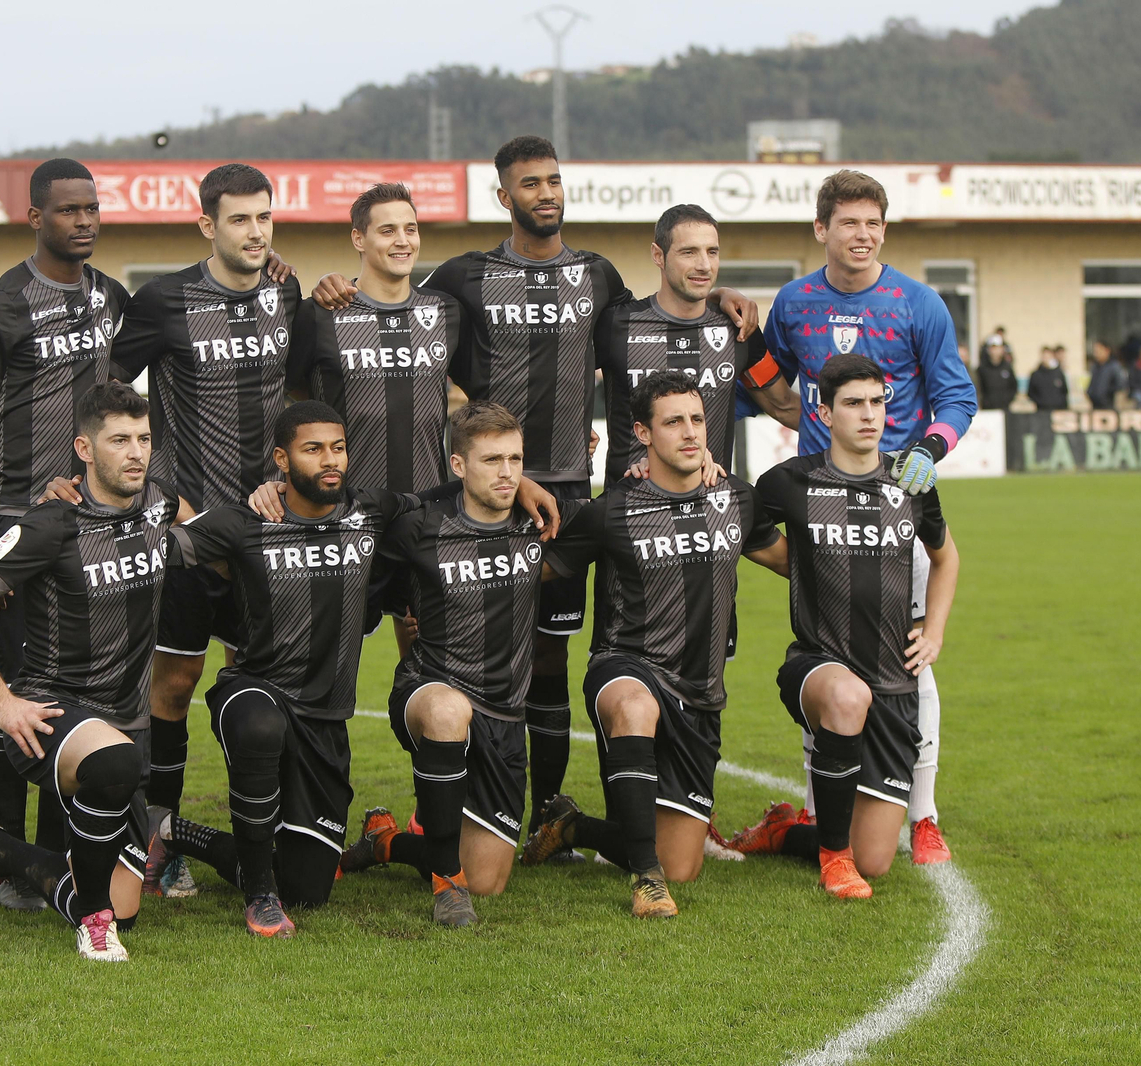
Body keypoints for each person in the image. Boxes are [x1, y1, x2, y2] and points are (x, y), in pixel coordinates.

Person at [314, 136, 759, 855]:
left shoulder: (598, 277)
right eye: (530, 184)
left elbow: (660, 315)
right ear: (504, 196)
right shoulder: (464, 278)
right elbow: (400, 311)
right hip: (482, 493)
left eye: (554, 181)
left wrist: (722, 297)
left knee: (546, 658)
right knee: (435, 647)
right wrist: (333, 288)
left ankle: (548, 812)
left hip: (573, 500)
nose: (545, 193)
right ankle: (437, 813)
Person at [760, 168, 976, 866]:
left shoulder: (917, 304)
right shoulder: (794, 304)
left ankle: (925, 814)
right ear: (821, 229)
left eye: (874, 223)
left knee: (909, 651)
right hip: (818, 509)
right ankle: (822, 812)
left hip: (894, 501)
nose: (864, 235)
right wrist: (740, 339)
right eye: (849, 223)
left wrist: (929, 451)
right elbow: (774, 390)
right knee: (826, 651)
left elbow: (956, 398)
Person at [0, 382, 187, 961]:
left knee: (127, 899)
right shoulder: (53, 523)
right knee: (114, 767)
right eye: (119, 440)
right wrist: (1, 703)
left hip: (126, 721)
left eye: (144, 439)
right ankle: (94, 926)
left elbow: (200, 526)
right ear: (83, 448)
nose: (135, 453)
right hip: (49, 715)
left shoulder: (158, 503)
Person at [523, 372, 787, 918]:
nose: (690, 433)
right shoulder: (612, 509)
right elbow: (536, 570)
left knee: (684, 864)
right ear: (643, 433)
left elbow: (789, 561)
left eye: (696, 419)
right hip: (627, 668)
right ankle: (646, 884)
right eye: (673, 423)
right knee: (633, 703)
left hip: (700, 695)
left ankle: (572, 826)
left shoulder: (736, 498)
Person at [107, 163, 300, 897]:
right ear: (207, 226)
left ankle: (270, 832)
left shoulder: (286, 292)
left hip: (268, 531)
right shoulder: (164, 301)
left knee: (268, 687)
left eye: (263, 217)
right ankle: (163, 840)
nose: (255, 232)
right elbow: (109, 395)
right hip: (187, 529)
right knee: (174, 686)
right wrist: (163, 494)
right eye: (240, 219)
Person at [0, 158, 131, 908]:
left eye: (91, 208)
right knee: (10, 689)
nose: (84, 220)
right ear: (35, 218)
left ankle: (37, 855)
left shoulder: (113, 299)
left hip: (91, 527)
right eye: (67, 210)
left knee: (68, 687)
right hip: (17, 526)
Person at [736, 355, 959, 899]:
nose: (869, 415)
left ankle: (787, 832)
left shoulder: (910, 481)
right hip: (820, 664)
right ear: (825, 411)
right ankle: (833, 861)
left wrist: (934, 631)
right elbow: (738, 521)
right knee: (845, 694)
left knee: (877, 859)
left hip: (893, 681)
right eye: (854, 404)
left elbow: (947, 557)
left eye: (877, 403)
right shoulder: (792, 481)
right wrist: (797, 561)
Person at [337, 403, 550, 926]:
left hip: (504, 715)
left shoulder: (541, 519)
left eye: (515, 460)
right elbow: (373, 587)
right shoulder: (416, 528)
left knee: (491, 882)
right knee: (447, 711)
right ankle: (447, 888)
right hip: (430, 690)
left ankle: (387, 842)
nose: (506, 472)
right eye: (491, 460)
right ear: (458, 466)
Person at [286, 182, 464, 655]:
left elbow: (482, 394)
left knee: (428, 664)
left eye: (411, 228)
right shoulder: (320, 314)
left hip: (424, 513)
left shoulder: (444, 311)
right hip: (345, 516)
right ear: (359, 239)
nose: (403, 240)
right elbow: (294, 397)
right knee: (327, 663)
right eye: (388, 230)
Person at [597, 203, 798, 489]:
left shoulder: (739, 329)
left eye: (712, 252)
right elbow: (561, 382)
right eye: (689, 252)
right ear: (658, 255)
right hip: (629, 511)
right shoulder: (616, 326)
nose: (704, 265)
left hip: (712, 512)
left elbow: (784, 405)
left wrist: (859, 435)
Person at [975, 336, 1016, 410]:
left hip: (1004, 409)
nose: (995, 351)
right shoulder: (982, 369)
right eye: (993, 348)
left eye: (998, 348)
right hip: (987, 410)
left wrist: (1008, 400)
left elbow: (1013, 386)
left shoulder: (1007, 368)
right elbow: (979, 388)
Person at [1026, 345, 1070, 411]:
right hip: (1042, 411)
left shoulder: (1058, 373)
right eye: (1044, 356)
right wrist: (1040, 402)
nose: (1046, 358)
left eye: (1048, 356)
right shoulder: (1036, 375)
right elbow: (1031, 393)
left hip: (1058, 410)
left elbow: (1064, 392)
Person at [1086, 340, 1126, 411]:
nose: (1096, 354)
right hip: (1096, 407)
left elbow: (1121, 387)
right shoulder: (1095, 367)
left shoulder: (1114, 367)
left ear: (1107, 350)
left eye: (1099, 350)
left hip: (1109, 407)